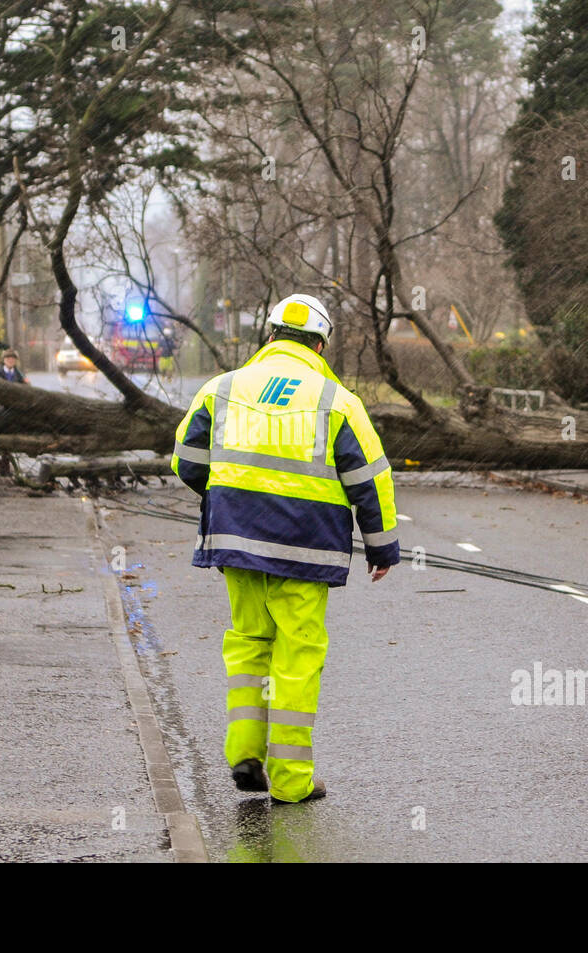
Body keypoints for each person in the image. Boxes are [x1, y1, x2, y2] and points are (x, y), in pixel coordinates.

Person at [170, 293, 400, 804]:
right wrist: (380, 548)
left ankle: (244, 754)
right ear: (320, 345)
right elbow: (370, 479)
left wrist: (230, 498)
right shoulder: (339, 402)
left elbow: (186, 461)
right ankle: (293, 784)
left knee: (250, 643)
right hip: (306, 550)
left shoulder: (221, 389)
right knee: (297, 657)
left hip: (238, 544)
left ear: (269, 336)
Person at [0, 349, 28, 478]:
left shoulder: (19, 376)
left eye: (13, 359)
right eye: (8, 358)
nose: (10, 360)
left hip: (12, 412)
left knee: (8, 442)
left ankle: (5, 470)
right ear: (4, 360)